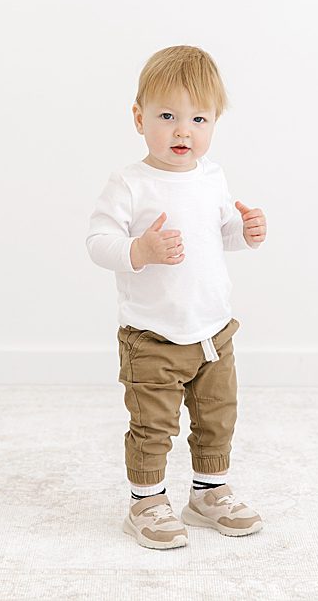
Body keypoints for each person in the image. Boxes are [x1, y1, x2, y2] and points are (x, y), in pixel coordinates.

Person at [87, 45, 268, 550]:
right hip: (153, 336)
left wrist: (247, 232)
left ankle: (209, 493)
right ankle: (146, 501)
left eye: (198, 118)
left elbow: (222, 234)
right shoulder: (130, 182)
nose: (182, 130)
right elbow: (98, 243)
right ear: (139, 118)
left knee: (217, 417)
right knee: (152, 424)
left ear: (214, 123)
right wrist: (139, 249)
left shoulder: (212, 177)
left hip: (214, 331)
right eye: (167, 116)